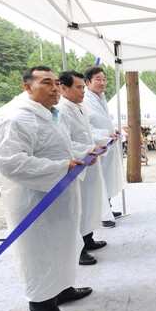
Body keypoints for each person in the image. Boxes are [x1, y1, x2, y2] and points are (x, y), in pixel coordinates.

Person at [0, 66, 93, 311]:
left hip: (60, 197)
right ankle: (43, 307)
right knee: (39, 255)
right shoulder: (17, 120)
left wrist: (84, 155)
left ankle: (61, 289)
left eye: (55, 84)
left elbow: (64, 148)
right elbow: (11, 163)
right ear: (28, 87)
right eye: (46, 83)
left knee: (61, 246)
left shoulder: (53, 116)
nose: (54, 88)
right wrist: (62, 168)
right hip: (34, 202)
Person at [57, 70, 109, 266]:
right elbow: (66, 142)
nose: (83, 91)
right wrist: (87, 149)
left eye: (82, 87)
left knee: (88, 204)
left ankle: (87, 238)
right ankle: (79, 250)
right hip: (77, 165)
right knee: (77, 210)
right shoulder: (62, 110)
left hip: (89, 162)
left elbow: (88, 134)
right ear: (64, 88)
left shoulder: (79, 107)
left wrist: (102, 141)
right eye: (79, 87)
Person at [83, 66, 124, 228]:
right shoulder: (86, 99)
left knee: (107, 179)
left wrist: (111, 131)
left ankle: (107, 207)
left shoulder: (101, 97)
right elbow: (87, 127)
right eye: (98, 79)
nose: (102, 82)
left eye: (104, 79)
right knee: (97, 182)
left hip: (107, 144)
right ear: (88, 82)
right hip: (96, 146)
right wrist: (105, 134)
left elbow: (102, 120)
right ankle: (102, 214)